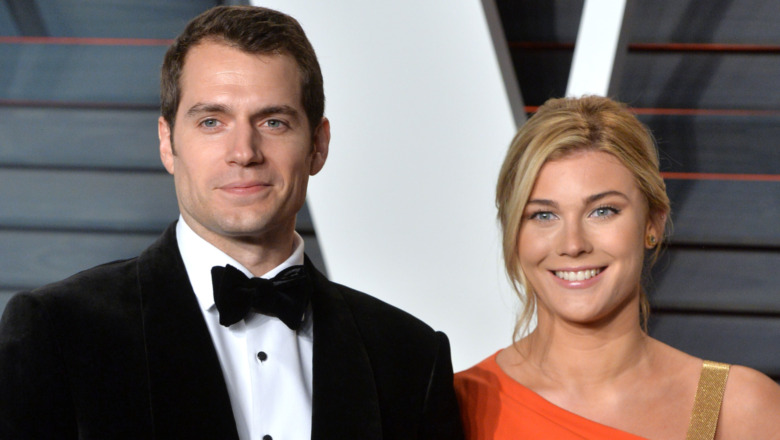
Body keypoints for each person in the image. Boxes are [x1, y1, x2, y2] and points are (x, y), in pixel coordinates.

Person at [0, 6, 463, 440]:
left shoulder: (409, 356)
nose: (244, 152)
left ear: (318, 145)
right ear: (167, 142)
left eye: (274, 122)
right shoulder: (59, 333)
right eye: (211, 122)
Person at [454, 96, 780, 439]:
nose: (573, 244)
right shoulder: (455, 404)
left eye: (603, 211)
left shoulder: (735, 408)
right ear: (513, 233)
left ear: (652, 222)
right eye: (543, 215)